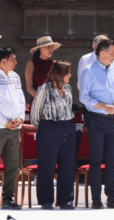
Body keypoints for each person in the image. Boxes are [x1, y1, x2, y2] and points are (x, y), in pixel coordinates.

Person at [79, 39, 114, 209]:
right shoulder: (88, 71)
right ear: (102, 53)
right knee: (95, 160)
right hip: (97, 119)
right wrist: (103, 106)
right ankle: (96, 199)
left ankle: (112, 197)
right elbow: (83, 97)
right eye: (113, 52)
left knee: (111, 160)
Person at [30, 61, 76, 210]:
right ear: (60, 74)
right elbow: (35, 113)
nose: (70, 75)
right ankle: (46, 201)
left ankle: (66, 200)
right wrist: (44, 128)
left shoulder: (68, 88)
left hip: (68, 127)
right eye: (68, 72)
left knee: (68, 166)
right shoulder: (44, 89)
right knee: (47, 166)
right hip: (49, 127)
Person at [0, 47, 24, 210]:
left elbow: (21, 99)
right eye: (13, 59)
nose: (16, 62)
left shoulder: (15, 76)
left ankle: (8, 198)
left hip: (15, 128)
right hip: (1, 127)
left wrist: (21, 118)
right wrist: (3, 121)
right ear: (3, 61)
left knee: (12, 164)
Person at [25, 36, 61, 102]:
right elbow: (29, 88)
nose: (51, 50)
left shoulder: (54, 64)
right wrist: (43, 100)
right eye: (48, 47)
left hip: (53, 103)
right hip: (37, 103)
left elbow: (59, 85)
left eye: (52, 47)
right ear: (41, 48)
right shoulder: (31, 63)